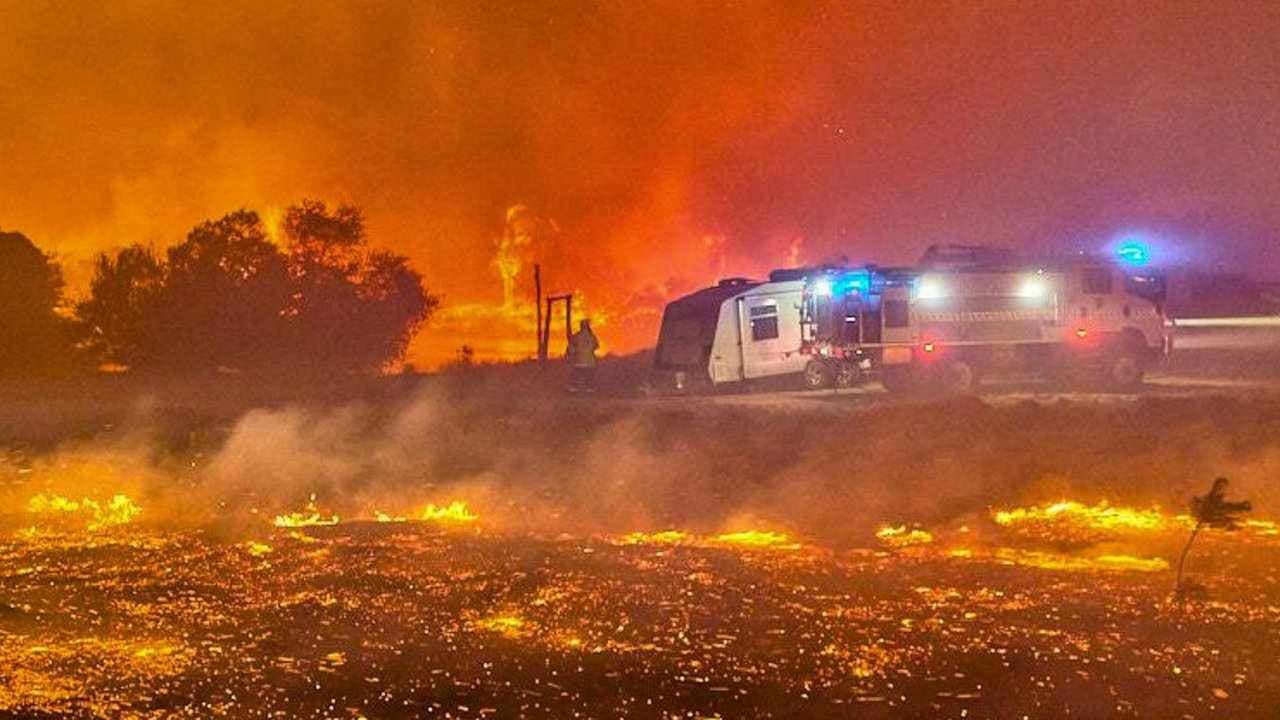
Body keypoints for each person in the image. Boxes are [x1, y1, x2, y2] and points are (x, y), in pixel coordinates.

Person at [566, 319, 599, 392]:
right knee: (589, 375)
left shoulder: (577, 336)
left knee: (577, 374)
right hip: (590, 361)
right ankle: (589, 388)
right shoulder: (592, 336)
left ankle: (574, 388)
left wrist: (573, 352)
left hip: (579, 360)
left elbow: (571, 346)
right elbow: (596, 346)